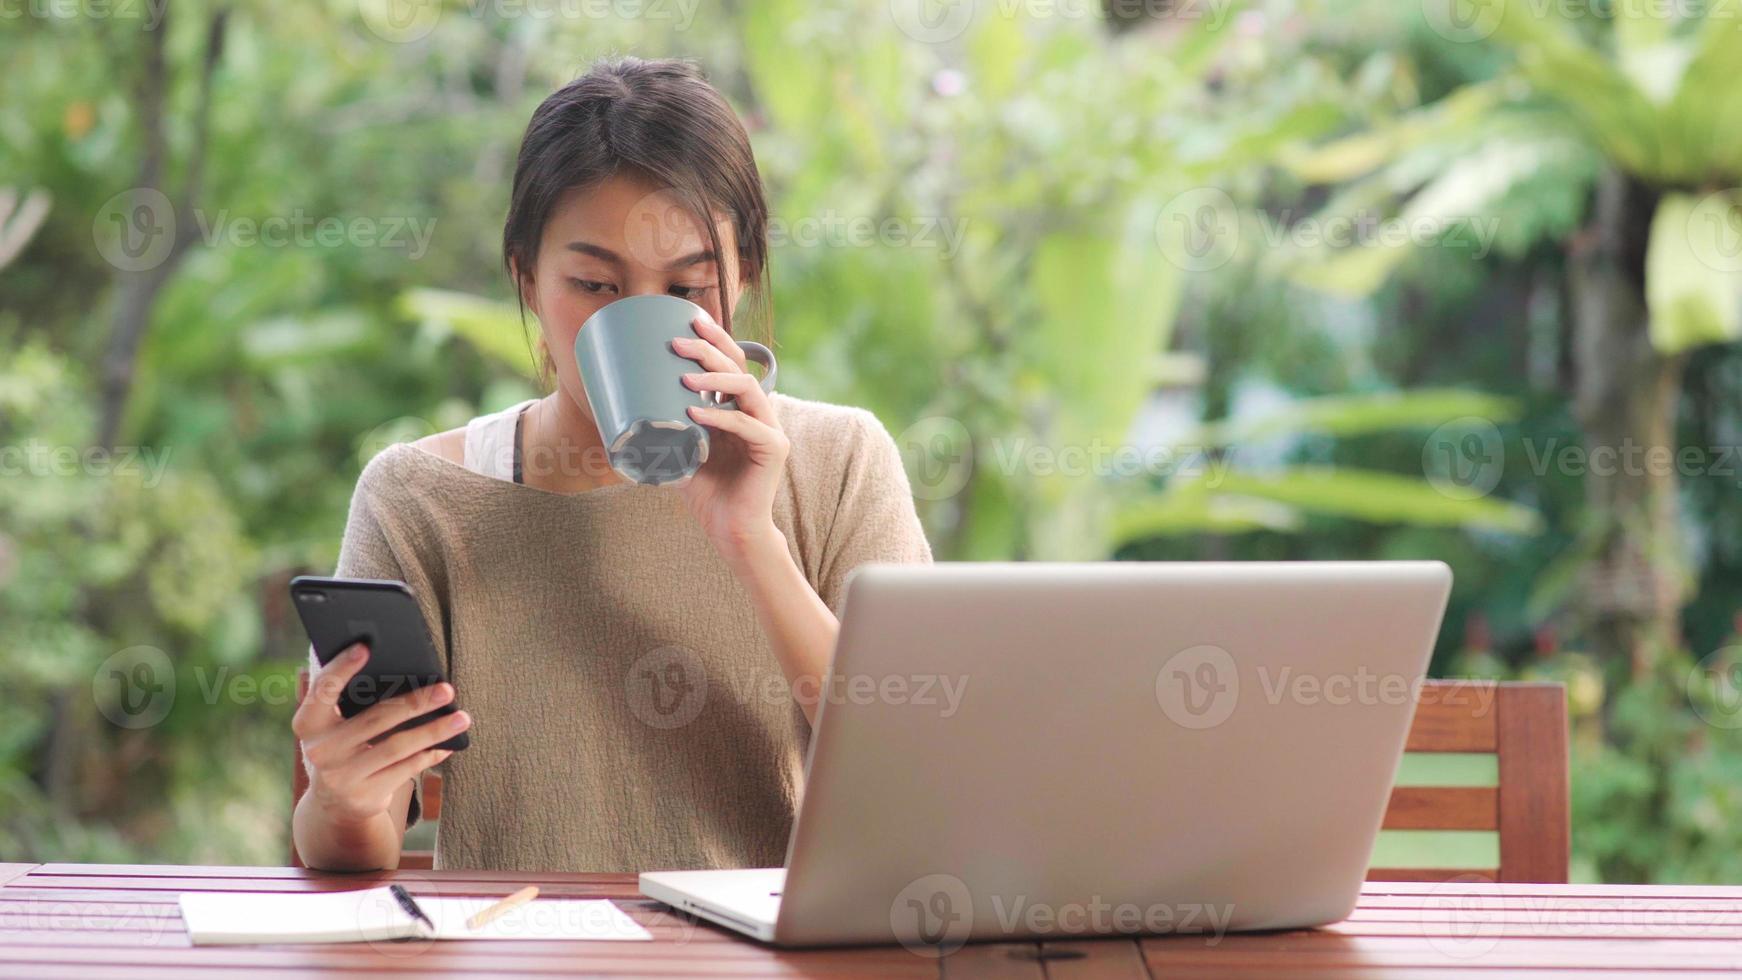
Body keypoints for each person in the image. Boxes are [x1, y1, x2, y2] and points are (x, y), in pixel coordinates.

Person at [291, 57, 931, 874]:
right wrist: (342, 798)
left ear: (744, 276)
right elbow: (353, 842)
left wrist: (750, 537)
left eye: (690, 287)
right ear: (526, 279)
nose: (638, 322)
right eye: (595, 283)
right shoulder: (422, 498)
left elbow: (913, 771)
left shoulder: (840, 464)